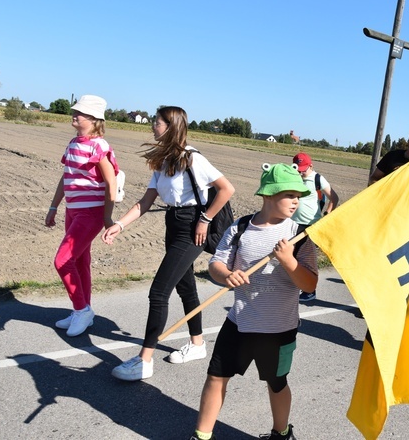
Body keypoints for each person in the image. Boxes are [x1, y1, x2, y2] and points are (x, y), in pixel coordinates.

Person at [102, 106, 235, 381]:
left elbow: (226, 189)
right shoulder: (164, 161)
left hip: (191, 228)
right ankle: (197, 344)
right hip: (173, 223)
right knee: (185, 286)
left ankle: (144, 361)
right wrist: (119, 225)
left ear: (171, 126)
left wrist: (205, 219)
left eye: (157, 122)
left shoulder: (192, 158)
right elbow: (145, 202)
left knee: (158, 292)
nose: (153, 126)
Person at [193, 163, 318, 440]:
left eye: (299, 195)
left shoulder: (301, 233)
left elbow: (309, 284)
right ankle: (201, 435)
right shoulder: (239, 228)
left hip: (279, 330)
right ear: (268, 195)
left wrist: (288, 261)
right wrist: (226, 275)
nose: (296, 200)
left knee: (276, 384)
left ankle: (281, 433)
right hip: (239, 323)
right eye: (289, 194)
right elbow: (216, 263)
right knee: (215, 377)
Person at [45, 95, 119, 337]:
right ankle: (84, 310)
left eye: (81, 113)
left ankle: (81, 309)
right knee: (79, 261)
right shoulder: (73, 143)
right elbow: (66, 177)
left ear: (94, 119)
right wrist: (54, 207)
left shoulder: (100, 146)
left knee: (62, 260)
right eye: (74, 111)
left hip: (91, 213)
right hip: (73, 211)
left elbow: (111, 183)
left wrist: (108, 217)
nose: (74, 115)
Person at [291, 152, 339, 302]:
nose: (301, 172)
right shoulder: (294, 177)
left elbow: (334, 197)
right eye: (298, 169)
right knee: (292, 256)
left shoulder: (318, 179)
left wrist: (327, 214)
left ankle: (310, 291)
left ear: (311, 166)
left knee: (307, 259)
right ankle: (293, 285)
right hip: (293, 223)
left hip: (311, 224)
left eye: (303, 169)